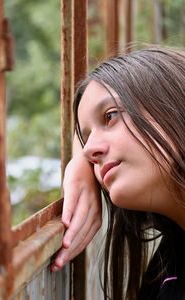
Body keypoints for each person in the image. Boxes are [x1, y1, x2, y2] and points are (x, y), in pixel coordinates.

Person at [51, 47, 185, 300]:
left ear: (174, 103)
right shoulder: (170, 260)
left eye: (110, 116)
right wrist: (78, 163)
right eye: (87, 136)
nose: (90, 149)